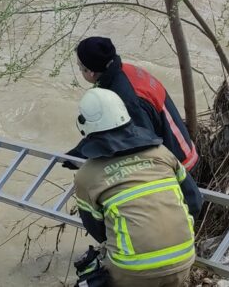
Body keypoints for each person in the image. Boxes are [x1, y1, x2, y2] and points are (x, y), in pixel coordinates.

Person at [67, 36, 203, 219]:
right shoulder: (124, 71)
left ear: (90, 72)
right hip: (180, 147)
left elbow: (138, 143)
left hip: (176, 162)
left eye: (79, 67)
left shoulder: (127, 99)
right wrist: (80, 152)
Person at [72, 88, 195, 287]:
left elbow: (98, 230)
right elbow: (194, 200)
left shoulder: (87, 176)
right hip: (184, 259)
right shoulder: (162, 154)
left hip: (132, 273)